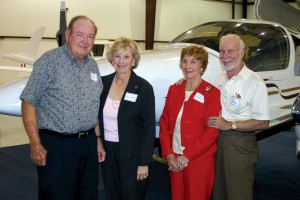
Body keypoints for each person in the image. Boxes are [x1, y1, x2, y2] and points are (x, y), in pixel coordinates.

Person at [20, 15, 105, 200]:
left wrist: (97, 140)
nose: (85, 41)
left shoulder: (93, 66)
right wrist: (35, 143)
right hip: (58, 146)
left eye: (90, 36)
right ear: (68, 34)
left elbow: (93, 107)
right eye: (80, 34)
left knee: (87, 194)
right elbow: (28, 101)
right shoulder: (49, 61)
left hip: (88, 144)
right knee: (56, 194)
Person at [207, 34, 270, 200]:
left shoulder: (254, 82)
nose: (225, 56)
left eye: (230, 51)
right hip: (217, 141)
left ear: (242, 53)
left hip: (240, 144)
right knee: (219, 191)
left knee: (238, 193)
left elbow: (263, 122)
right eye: (222, 51)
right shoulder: (220, 77)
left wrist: (230, 125)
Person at [159, 44, 221, 200]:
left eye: (193, 62)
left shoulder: (212, 93)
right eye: (185, 61)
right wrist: (168, 154)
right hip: (175, 157)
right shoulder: (175, 89)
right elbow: (164, 122)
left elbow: (211, 132)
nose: (188, 66)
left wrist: (187, 156)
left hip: (198, 160)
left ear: (202, 66)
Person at [98, 37, 156, 200]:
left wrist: (144, 162)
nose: (121, 61)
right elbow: (95, 117)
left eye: (126, 56)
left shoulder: (143, 88)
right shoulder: (103, 84)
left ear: (134, 60)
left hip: (133, 154)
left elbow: (148, 128)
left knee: (132, 195)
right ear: (111, 58)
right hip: (108, 152)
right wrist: (98, 142)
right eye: (117, 56)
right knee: (112, 194)